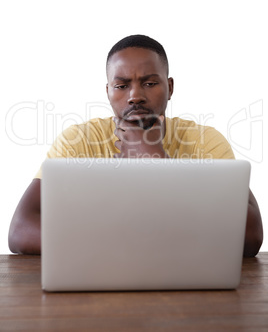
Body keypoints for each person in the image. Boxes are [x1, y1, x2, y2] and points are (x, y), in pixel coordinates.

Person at [8, 35, 263, 256]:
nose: (135, 96)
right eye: (121, 86)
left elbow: (250, 235)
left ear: (170, 87)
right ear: (108, 91)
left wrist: (155, 161)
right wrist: (132, 241)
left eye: (150, 83)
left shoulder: (205, 141)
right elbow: (21, 231)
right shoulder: (78, 141)